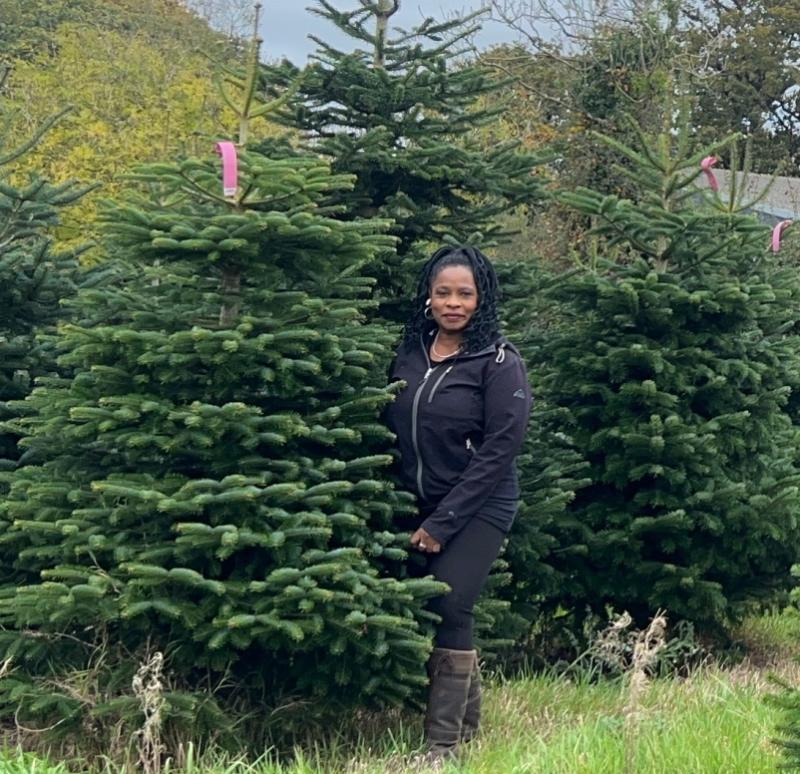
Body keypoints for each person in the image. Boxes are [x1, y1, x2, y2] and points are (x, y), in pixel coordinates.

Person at [384, 245, 532, 761]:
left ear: (481, 298)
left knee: (451, 600)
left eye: (464, 294)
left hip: (482, 503)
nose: (452, 303)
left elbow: (498, 452)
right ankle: (468, 728)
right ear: (428, 296)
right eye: (443, 292)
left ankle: (442, 746)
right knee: (441, 606)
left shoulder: (498, 362)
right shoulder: (409, 353)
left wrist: (444, 521)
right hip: (417, 499)